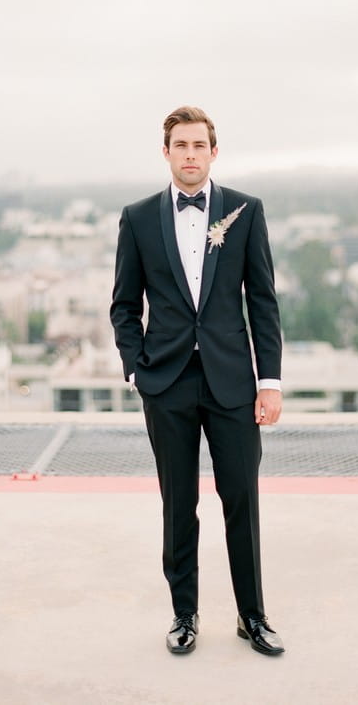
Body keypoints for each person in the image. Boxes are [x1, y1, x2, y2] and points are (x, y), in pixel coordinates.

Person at [110, 105, 285, 656]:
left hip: (233, 381)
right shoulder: (137, 217)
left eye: (199, 146)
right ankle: (184, 615)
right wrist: (137, 367)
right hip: (167, 384)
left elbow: (262, 302)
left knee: (241, 499)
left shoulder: (245, 211)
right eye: (180, 146)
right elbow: (123, 304)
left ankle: (252, 617)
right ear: (166, 153)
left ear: (214, 152)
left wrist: (270, 380)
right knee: (177, 503)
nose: (190, 155)